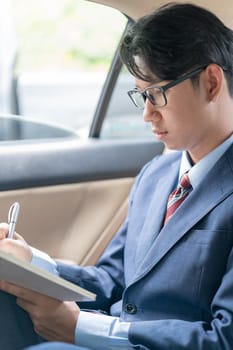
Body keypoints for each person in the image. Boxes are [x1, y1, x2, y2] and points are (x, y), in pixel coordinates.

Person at [1, 2, 233, 349]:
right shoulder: (155, 176)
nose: (147, 114)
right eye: (142, 96)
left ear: (212, 83)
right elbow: (115, 281)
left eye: (157, 94)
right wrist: (32, 263)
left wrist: (82, 329)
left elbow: (223, 338)